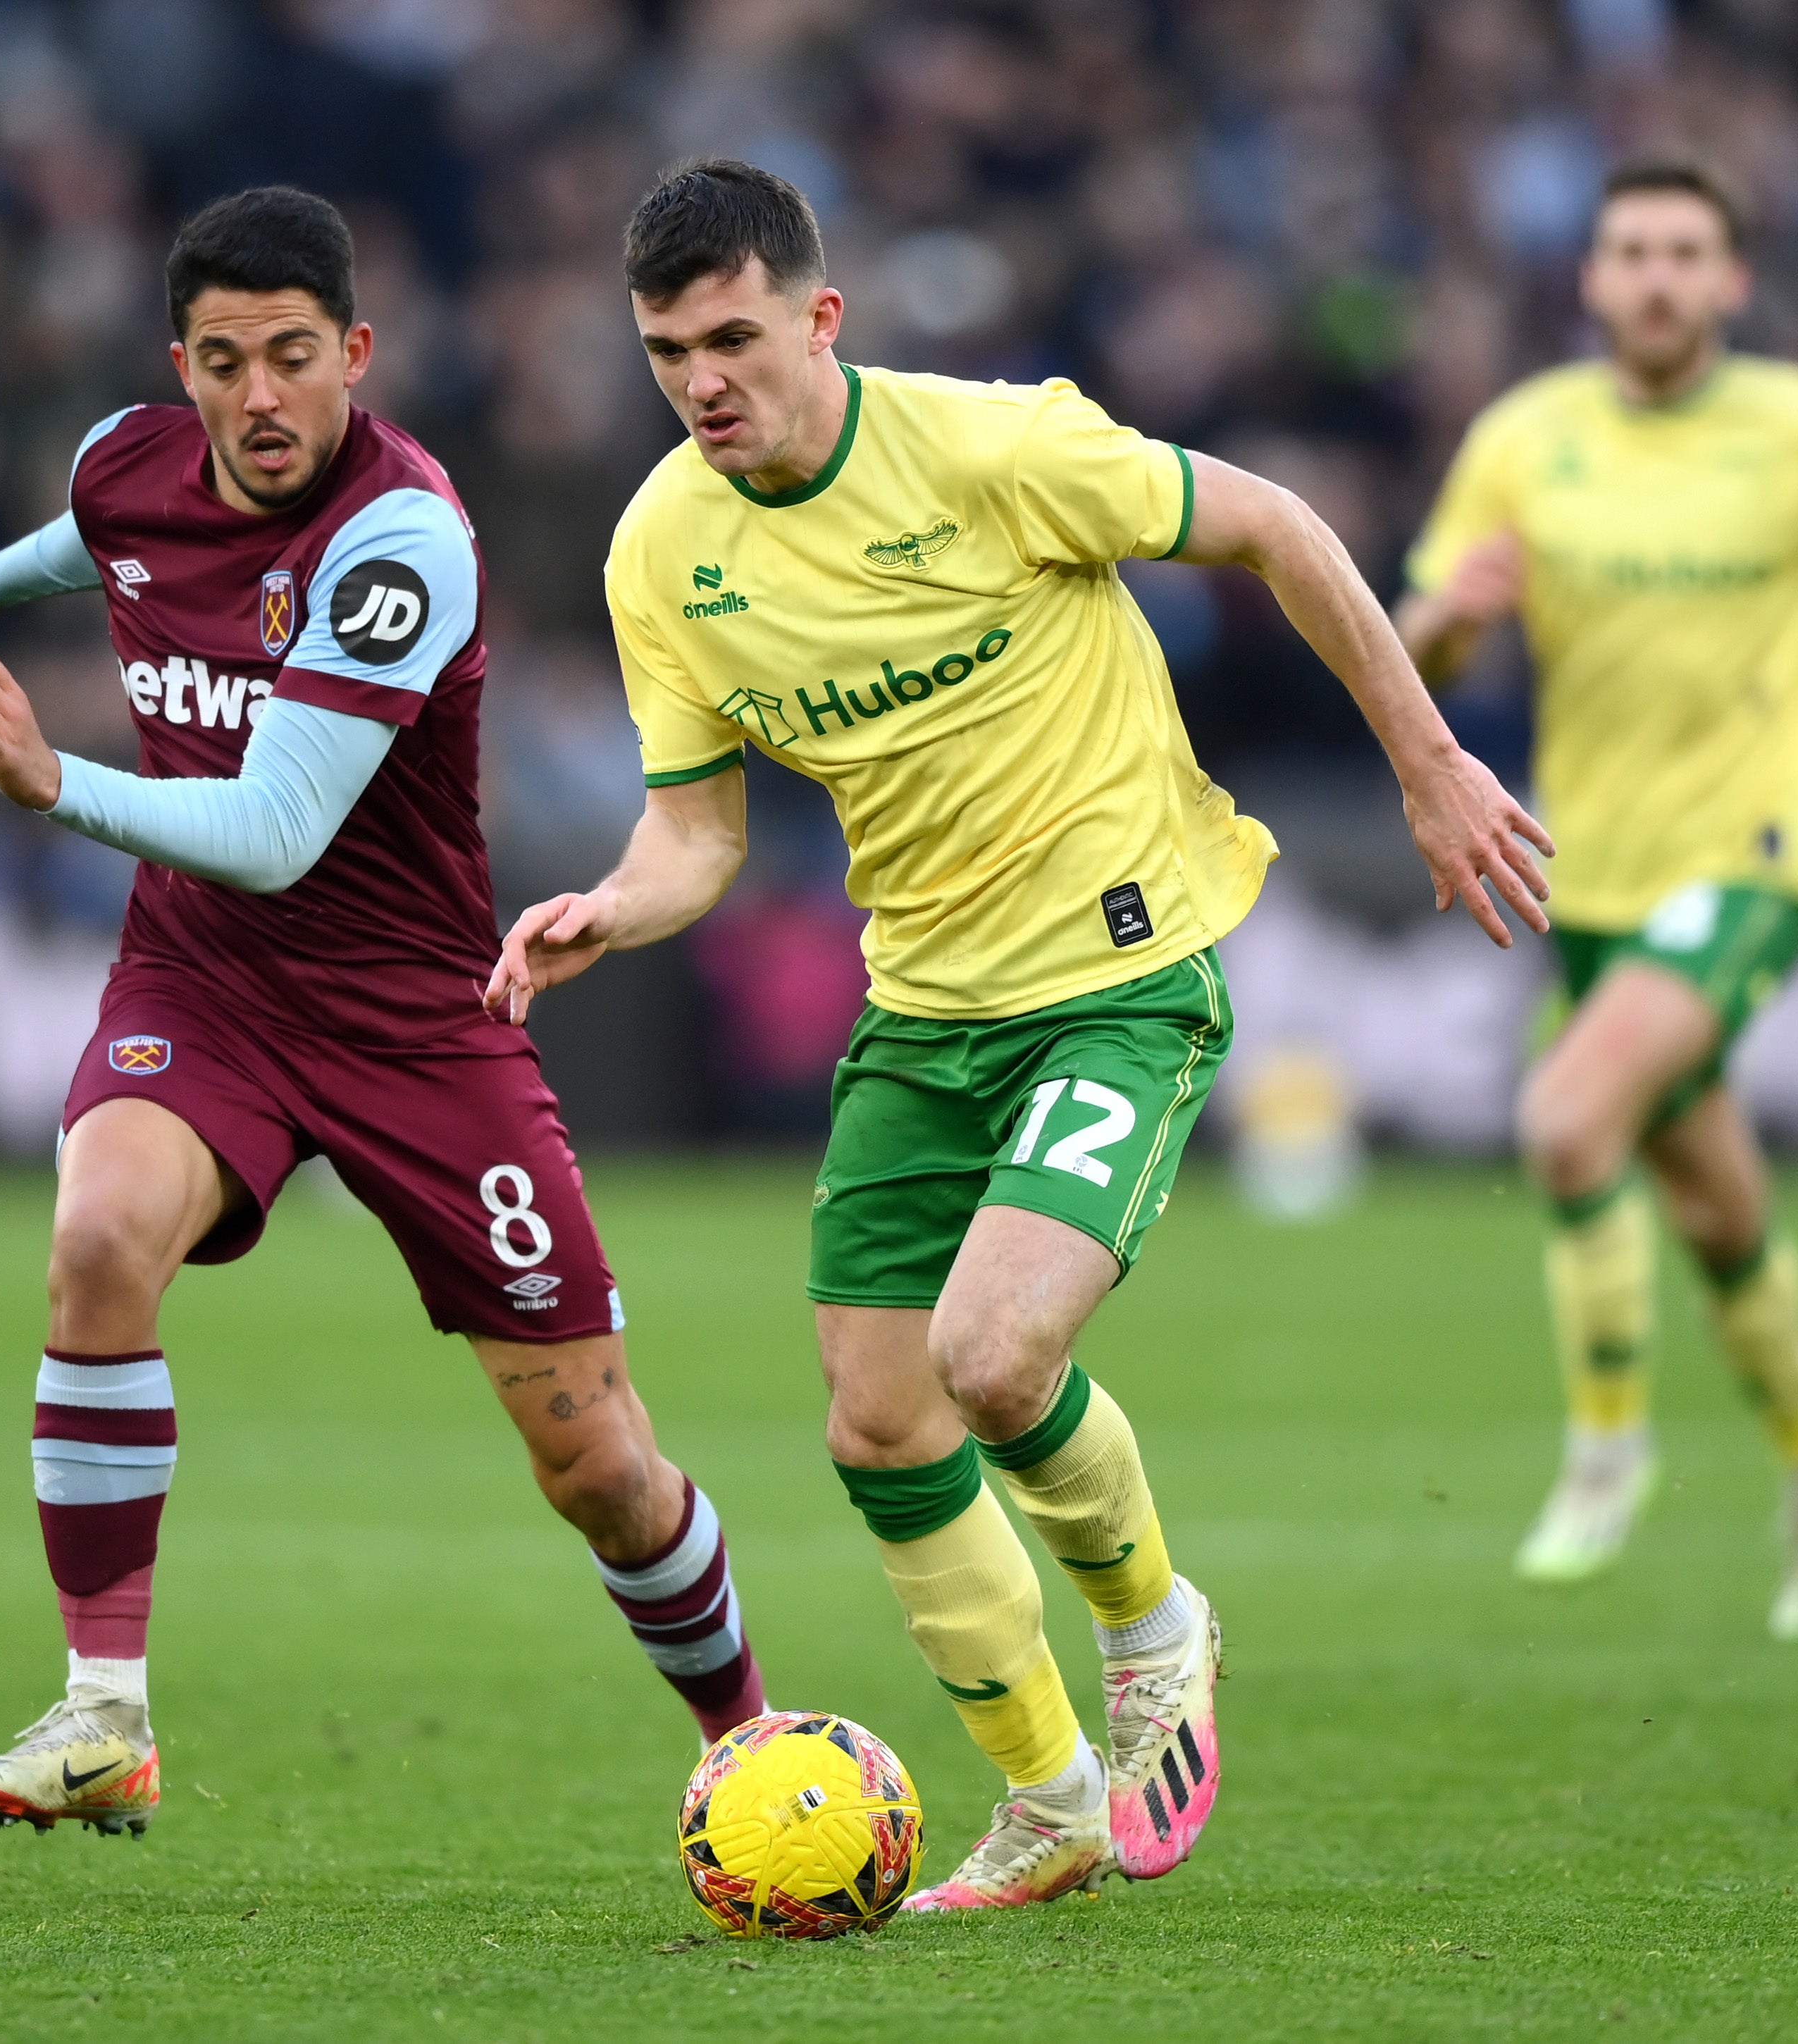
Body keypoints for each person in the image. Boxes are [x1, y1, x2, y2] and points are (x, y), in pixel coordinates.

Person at [485, 159, 1550, 1911]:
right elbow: (698, 832)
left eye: (735, 337)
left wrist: (1430, 761)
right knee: (881, 1423)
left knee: (992, 1356)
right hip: (925, 1006)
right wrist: (615, 903)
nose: (703, 381)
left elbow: (1276, 520)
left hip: (1122, 971)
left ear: (822, 318)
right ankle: (1050, 1795)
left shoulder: (992, 449)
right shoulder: (663, 550)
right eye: (668, 350)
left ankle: (1157, 1625)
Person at [0, 186, 767, 1837]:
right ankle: (104, 1712)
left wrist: (51, 780)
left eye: (293, 357)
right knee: (98, 1242)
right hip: (207, 981)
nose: (259, 398)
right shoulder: (120, 460)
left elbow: (278, 828)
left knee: (596, 1461)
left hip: (411, 1018)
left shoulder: (404, 539)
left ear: (355, 354)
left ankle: (746, 1730)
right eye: (223, 362)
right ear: (182, 368)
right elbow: (91, 537)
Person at [1393, 159, 1798, 1638]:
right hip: (1583, 869)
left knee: (1562, 1118)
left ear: (1732, 282)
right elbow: (1418, 648)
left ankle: (1609, 1445)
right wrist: (1454, 616)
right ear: (1593, 279)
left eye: (1686, 252)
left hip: (1751, 857)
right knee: (1708, 1192)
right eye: (1631, 252)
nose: (1658, 276)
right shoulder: (1526, 438)